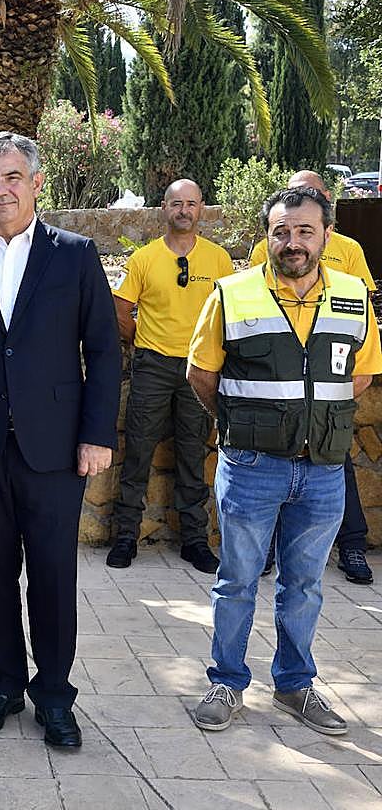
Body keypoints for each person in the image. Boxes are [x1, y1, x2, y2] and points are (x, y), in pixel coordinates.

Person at [0, 131, 121, 748]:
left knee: (54, 575)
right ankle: (4, 681)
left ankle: (55, 694)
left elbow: (105, 350)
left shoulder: (75, 254)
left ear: (37, 183)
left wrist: (95, 435)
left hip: (55, 448)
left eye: (11, 178)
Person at [188, 187, 382, 735]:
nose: (292, 243)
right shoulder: (232, 293)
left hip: (322, 469)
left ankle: (295, 685)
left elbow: (360, 374)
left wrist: (312, 418)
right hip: (252, 466)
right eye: (281, 231)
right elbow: (202, 374)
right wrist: (243, 424)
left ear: (326, 235)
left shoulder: (351, 293)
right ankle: (226, 680)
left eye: (304, 231)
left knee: (306, 585)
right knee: (238, 580)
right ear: (266, 235)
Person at [249, 170, 375, 585]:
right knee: (266, 481)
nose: (296, 238)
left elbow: (361, 333)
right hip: (272, 404)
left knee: (338, 472)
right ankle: (265, 550)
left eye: (313, 199)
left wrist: (327, 397)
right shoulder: (266, 250)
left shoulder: (350, 251)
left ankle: (352, 544)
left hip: (327, 406)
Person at [107, 179, 232, 573]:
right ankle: (125, 536)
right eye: (176, 204)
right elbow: (120, 309)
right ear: (164, 208)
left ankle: (195, 541)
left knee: (193, 455)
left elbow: (228, 314)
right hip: (153, 366)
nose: (183, 211)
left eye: (190, 204)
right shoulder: (144, 259)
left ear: (201, 209)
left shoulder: (219, 260)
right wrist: (144, 343)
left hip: (199, 369)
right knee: (139, 451)